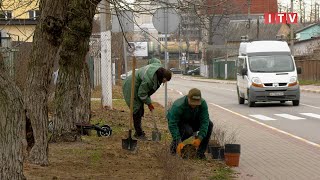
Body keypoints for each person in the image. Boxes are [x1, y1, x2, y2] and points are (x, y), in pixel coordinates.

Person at [122, 62, 172, 140]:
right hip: (131, 87)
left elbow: (153, 60)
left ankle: (138, 131)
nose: (164, 82)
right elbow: (142, 94)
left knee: (140, 110)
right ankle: (139, 134)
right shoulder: (149, 80)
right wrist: (149, 103)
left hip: (138, 86)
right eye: (165, 80)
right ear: (163, 77)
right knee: (137, 110)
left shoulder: (158, 69)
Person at [167, 88, 213, 159]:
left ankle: (200, 153)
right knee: (188, 131)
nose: (194, 105)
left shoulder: (203, 104)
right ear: (188, 98)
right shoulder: (178, 105)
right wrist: (178, 141)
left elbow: (205, 121)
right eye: (192, 103)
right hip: (180, 122)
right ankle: (174, 147)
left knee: (209, 124)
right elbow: (172, 124)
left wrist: (200, 138)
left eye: (196, 103)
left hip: (192, 119)